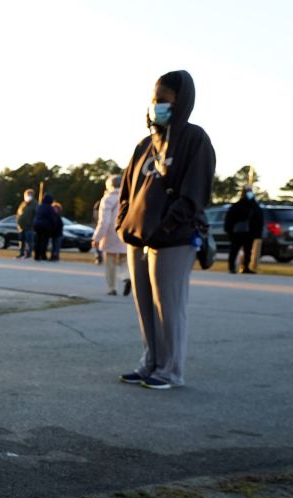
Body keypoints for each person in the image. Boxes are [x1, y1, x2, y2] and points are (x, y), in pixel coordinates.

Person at [116, 70, 216, 390]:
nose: (157, 105)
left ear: (181, 102)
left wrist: (166, 227)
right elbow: (127, 190)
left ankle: (170, 370)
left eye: (165, 100)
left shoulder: (194, 139)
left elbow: (194, 193)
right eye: (154, 99)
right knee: (145, 306)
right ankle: (150, 363)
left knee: (168, 307)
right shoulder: (145, 145)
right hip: (138, 237)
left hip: (172, 239)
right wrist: (123, 225)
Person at [90, 175, 130, 296]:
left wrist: (96, 238)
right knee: (124, 260)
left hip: (111, 234)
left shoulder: (108, 198)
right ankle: (126, 277)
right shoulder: (129, 197)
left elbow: (104, 221)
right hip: (126, 231)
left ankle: (112, 288)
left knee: (110, 262)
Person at [223, 186, 263, 274]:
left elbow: (259, 220)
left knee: (247, 251)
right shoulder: (238, 206)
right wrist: (229, 230)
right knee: (235, 249)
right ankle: (232, 267)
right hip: (238, 233)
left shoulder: (254, 206)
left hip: (249, 232)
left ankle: (245, 267)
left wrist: (258, 233)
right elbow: (229, 219)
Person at [32, 193, 60, 261]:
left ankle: (36, 256)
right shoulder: (50, 208)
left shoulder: (39, 206)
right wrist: (54, 226)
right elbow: (53, 218)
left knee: (37, 241)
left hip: (37, 225)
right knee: (44, 241)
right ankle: (43, 255)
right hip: (45, 227)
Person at [16, 188, 36, 259]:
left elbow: (36, 215)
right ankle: (21, 253)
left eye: (30, 194)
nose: (28, 196)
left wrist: (33, 224)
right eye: (27, 194)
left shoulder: (35, 204)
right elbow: (18, 214)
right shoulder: (23, 204)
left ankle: (28, 254)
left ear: (32, 195)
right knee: (21, 241)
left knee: (29, 241)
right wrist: (18, 223)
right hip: (21, 227)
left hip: (29, 227)